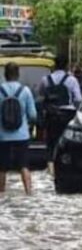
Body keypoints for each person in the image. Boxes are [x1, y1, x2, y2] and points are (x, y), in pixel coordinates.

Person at [40, 55, 82, 174]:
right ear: (66, 66)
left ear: (54, 65)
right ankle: (67, 168)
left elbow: (41, 95)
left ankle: (51, 172)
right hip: (67, 115)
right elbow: (78, 99)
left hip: (51, 115)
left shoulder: (45, 79)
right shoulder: (72, 80)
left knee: (51, 144)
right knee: (67, 143)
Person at [0, 64, 37, 195]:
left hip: (2, 136)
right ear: (18, 74)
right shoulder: (25, 91)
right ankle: (28, 192)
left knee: (2, 168)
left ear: (5, 75)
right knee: (24, 165)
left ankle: (2, 193)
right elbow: (33, 115)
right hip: (22, 135)